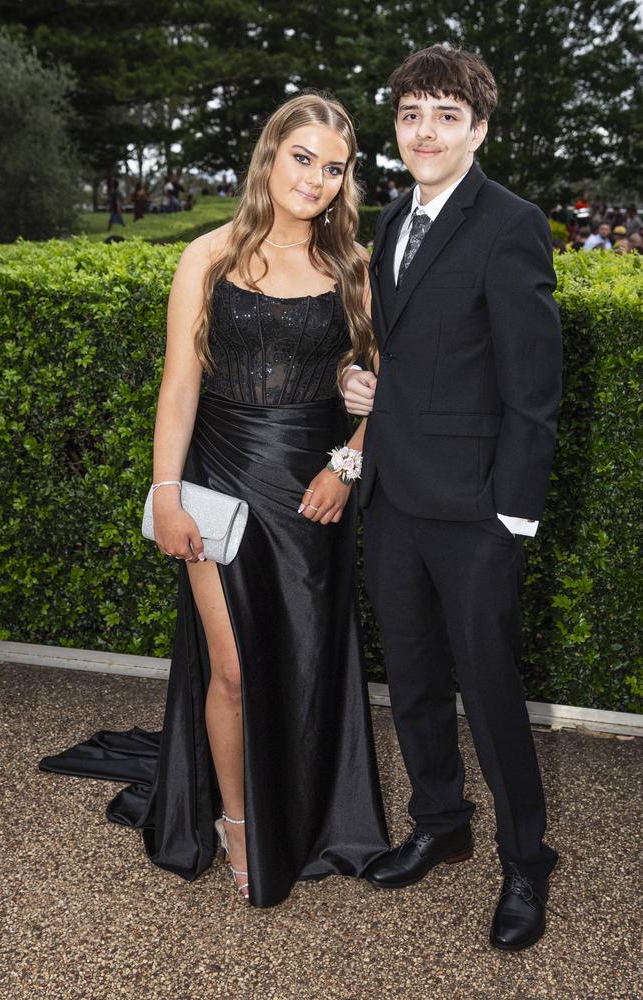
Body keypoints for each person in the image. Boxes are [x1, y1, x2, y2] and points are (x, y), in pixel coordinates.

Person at [40, 93, 389, 908]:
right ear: (271, 155)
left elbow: (382, 385)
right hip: (221, 483)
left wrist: (348, 464)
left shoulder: (355, 268)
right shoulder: (207, 254)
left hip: (314, 493)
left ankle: (305, 810)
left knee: (304, 663)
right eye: (302, 158)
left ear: (345, 183)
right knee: (231, 669)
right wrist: (166, 496)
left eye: (333, 168)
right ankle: (237, 821)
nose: (316, 179)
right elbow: (178, 386)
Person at [342, 44, 562, 951]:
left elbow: (532, 384)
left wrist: (514, 515)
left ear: (477, 126)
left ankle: (526, 859)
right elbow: (409, 352)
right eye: (409, 114)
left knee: (492, 688)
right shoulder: (391, 218)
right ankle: (441, 822)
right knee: (417, 684)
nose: (424, 131)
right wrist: (366, 387)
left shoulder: (511, 223)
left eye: (444, 114)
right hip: (393, 499)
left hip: (475, 511)